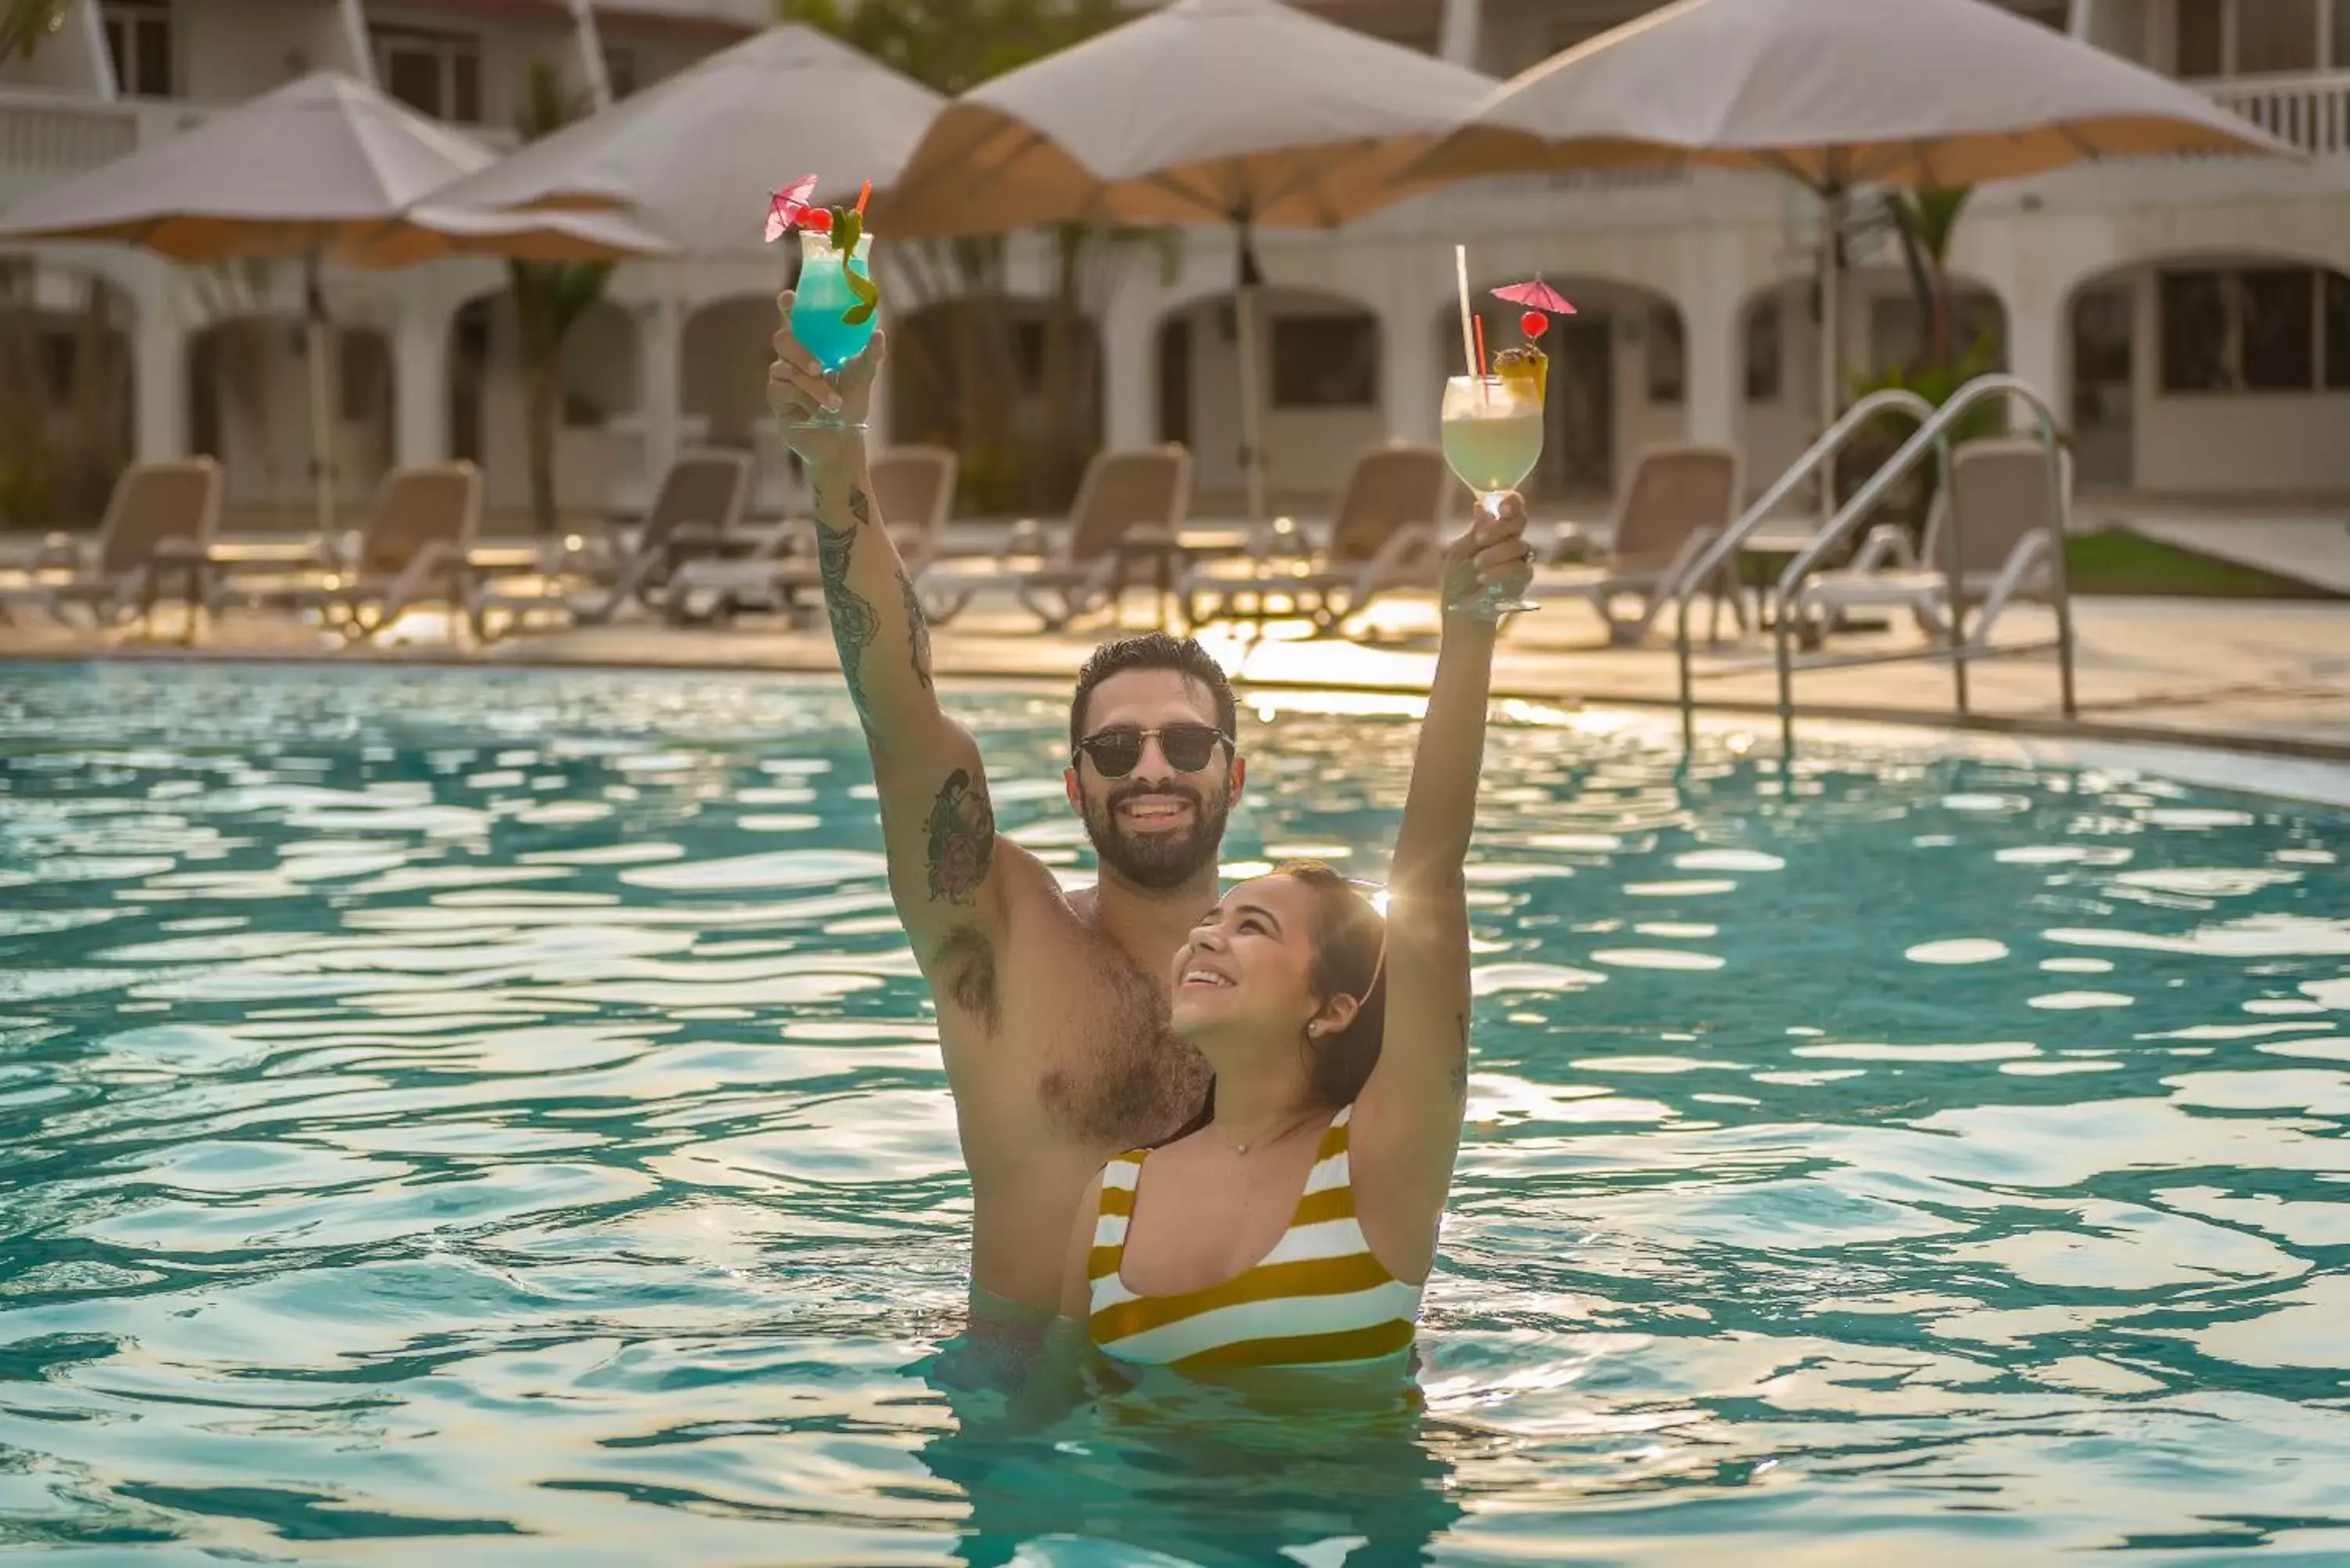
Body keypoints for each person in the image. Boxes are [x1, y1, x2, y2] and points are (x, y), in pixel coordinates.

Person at [765, 300, 1240, 1324]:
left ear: (1232, 776)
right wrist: (837, 462)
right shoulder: (1006, 937)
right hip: (1029, 1434)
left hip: (1222, 1425)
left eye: (1186, 744)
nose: (1151, 768)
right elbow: (900, 716)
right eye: (1115, 750)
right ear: (1075, 787)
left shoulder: (1290, 975)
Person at [1058, 502, 1530, 1367]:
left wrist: (1467, 629)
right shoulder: (1111, 1198)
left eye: (1253, 927)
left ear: (1333, 1008)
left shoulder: (1381, 1160)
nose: (1207, 938)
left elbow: (1432, 865)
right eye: (1210, 922)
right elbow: (1051, 1413)